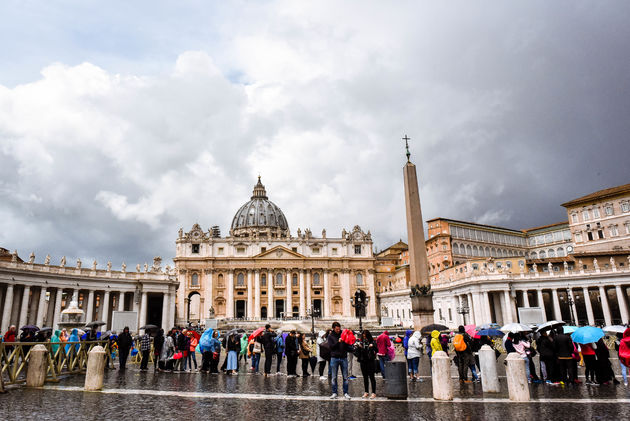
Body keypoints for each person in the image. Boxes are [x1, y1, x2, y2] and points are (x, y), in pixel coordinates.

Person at [327, 322, 351, 399]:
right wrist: (338, 342)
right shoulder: (330, 336)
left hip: (343, 357)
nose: (338, 330)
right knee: (334, 377)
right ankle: (334, 392)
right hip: (334, 358)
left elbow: (347, 345)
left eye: (339, 329)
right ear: (333, 328)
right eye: (337, 329)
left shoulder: (343, 334)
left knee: (345, 377)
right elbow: (331, 347)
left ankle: (346, 392)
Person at [355, 329, 377, 398]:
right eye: (363, 337)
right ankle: (366, 392)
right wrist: (359, 347)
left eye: (366, 337)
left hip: (370, 361)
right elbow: (357, 353)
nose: (364, 338)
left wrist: (372, 346)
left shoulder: (372, 341)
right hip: (363, 361)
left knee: (372, 377)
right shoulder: (361, 342)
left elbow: (377, 350)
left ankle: (373, 392)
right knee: (365, 377)